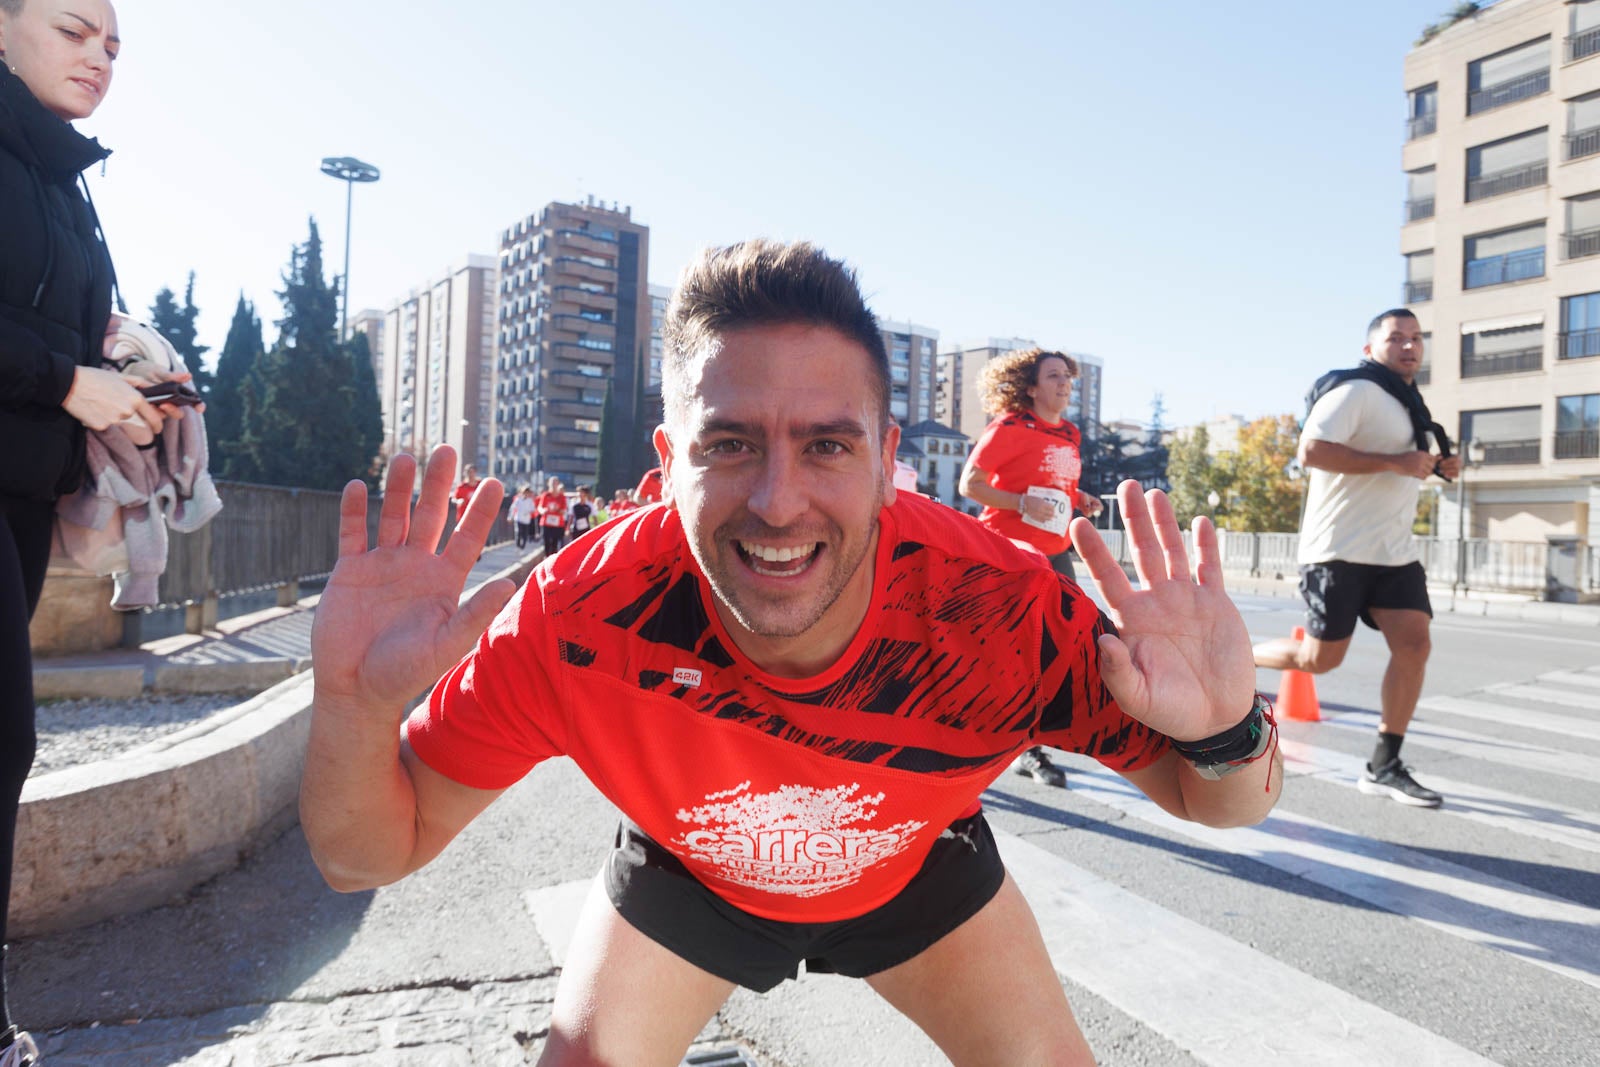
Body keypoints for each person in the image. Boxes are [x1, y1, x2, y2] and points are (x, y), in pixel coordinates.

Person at [301, 240, 1279, 1067]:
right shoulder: (580, 612)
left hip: (916, 869)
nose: (776, 501)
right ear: (666, 453)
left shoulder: (999, 609)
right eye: (728, 444)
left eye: (825, 446)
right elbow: (361, 855)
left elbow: (1218, 800)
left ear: (886, 459)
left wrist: (1229, 725)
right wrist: (350, 704)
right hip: (693, 876)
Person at [0, 3, 190, 1063]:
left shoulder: (67, 182)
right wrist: (68, 378)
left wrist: (125, 380)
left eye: (113, 45)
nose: (99, 57)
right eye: (76, 29)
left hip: (23, 499)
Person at [1253, 308, 1461, 808]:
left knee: (1414, 645)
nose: (1409, 346)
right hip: (1338, 549)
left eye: (1416, 338)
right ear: (1371, 349)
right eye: (1396, 338)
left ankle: (1384, 765)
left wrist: (1441, 466)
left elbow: (1404, 467)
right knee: (1319, 661)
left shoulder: (1409, 404)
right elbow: (1311, 451)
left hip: (1394, 551)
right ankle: (1236, 656)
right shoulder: (1355, 390)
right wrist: (1396, 461)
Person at [959, 348, 1104, 789]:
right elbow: (971, 485)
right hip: (1012, 551)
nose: (1064, 384)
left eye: (1068, 377)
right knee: (1020, 651)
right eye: (1054, 376)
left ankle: (1037, 731)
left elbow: (1061, 486)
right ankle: (1025, 749)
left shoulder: (1071, 434)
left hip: (1057, 551)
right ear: (1031, 387)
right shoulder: (1009, 427)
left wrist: (1082, 500)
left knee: (1069, 641)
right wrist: (1023, 504)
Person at [533, 476, 567, 557]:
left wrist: (557, 510)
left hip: (557, 524)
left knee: (555, 544)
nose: (553, 485)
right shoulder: (546, 495)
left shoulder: (562, 497)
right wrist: (543, 510)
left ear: (558, 484)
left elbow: (564, 510)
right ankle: (546, 557)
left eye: (555, 483)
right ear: (548, 484)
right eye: (552, 483)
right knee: (546, 542)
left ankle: (552, 561)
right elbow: (540, 507)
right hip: (546, 523)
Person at [508, 485, 537, 552]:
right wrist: (510, 517)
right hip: (518, 518)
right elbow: (513, 508)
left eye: (527, 492)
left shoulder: (530, 501)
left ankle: (522, 546)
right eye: (525, 492)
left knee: (525, 534)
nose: (526, 494)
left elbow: (533, 509)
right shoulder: (518, 500)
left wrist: (528, 511)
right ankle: (518, 545)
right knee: (518, 532)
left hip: (526, 520)